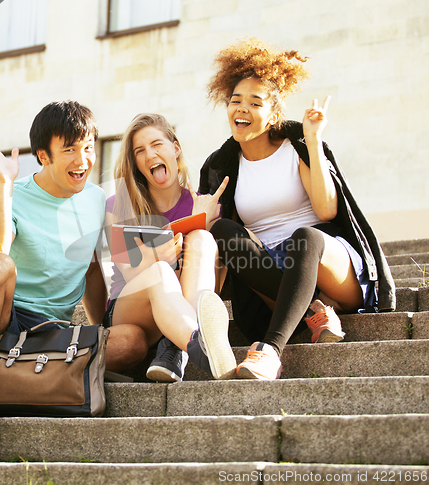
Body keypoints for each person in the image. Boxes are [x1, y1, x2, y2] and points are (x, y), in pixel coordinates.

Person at [199, 38, 396, 380]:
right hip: (272, 274)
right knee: (223, 233)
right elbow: (223, 245)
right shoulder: (223, 166)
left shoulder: (297, 146)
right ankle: (315, 313)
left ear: (274, 114)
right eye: (235, 101)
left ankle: (270, 351)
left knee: (305, 237)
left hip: (326, 262)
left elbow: (327, 209)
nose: (241, 109)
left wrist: (314, 139)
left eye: (254, 102)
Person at [0, 100, 147, 377]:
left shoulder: (95, 199)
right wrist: (2, 183)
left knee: (131, 342)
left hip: (54, 332)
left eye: (88, 147)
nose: (82, 160)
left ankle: (10, 369)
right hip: (5, 319)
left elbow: (91, 268)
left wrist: (100, 328)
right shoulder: (12, 194)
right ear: (43, 156)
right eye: (70, 149)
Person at [104, 113, 236, 382]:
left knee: (203, 239)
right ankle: (199, 346)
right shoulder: (117, 205)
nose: (149, 154)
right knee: (161, 273)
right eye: (139, 151)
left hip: (181, 302)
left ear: (175, 148)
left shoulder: (203, 205)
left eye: (156, 144)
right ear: (135, 163)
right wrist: (158, 256)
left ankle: (176, 345)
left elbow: (215, 274)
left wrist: (207, 224)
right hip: (130, 308)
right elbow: (129, 271)